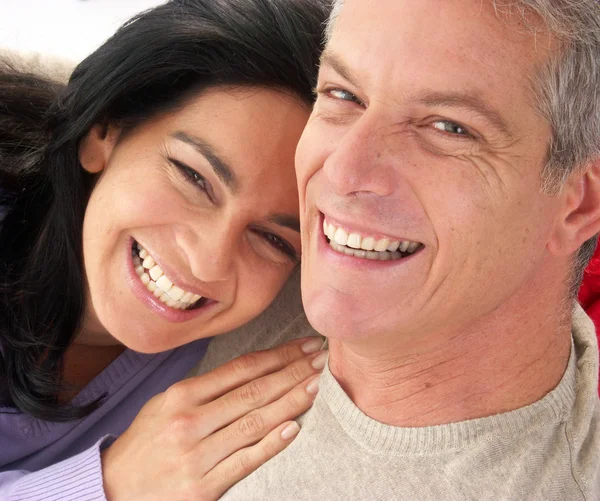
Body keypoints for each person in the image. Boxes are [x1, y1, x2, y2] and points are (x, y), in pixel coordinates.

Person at [195, 0, 600, 499]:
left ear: (579, 205)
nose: (344, 171)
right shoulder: (233, 271)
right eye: (343, 95)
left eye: (449, 127)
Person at [0, 0, 330, 499]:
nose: (208, 262)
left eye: (272, 239)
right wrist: (109, 482)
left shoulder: (245, 337)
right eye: (194, 177)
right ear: (103, 131)